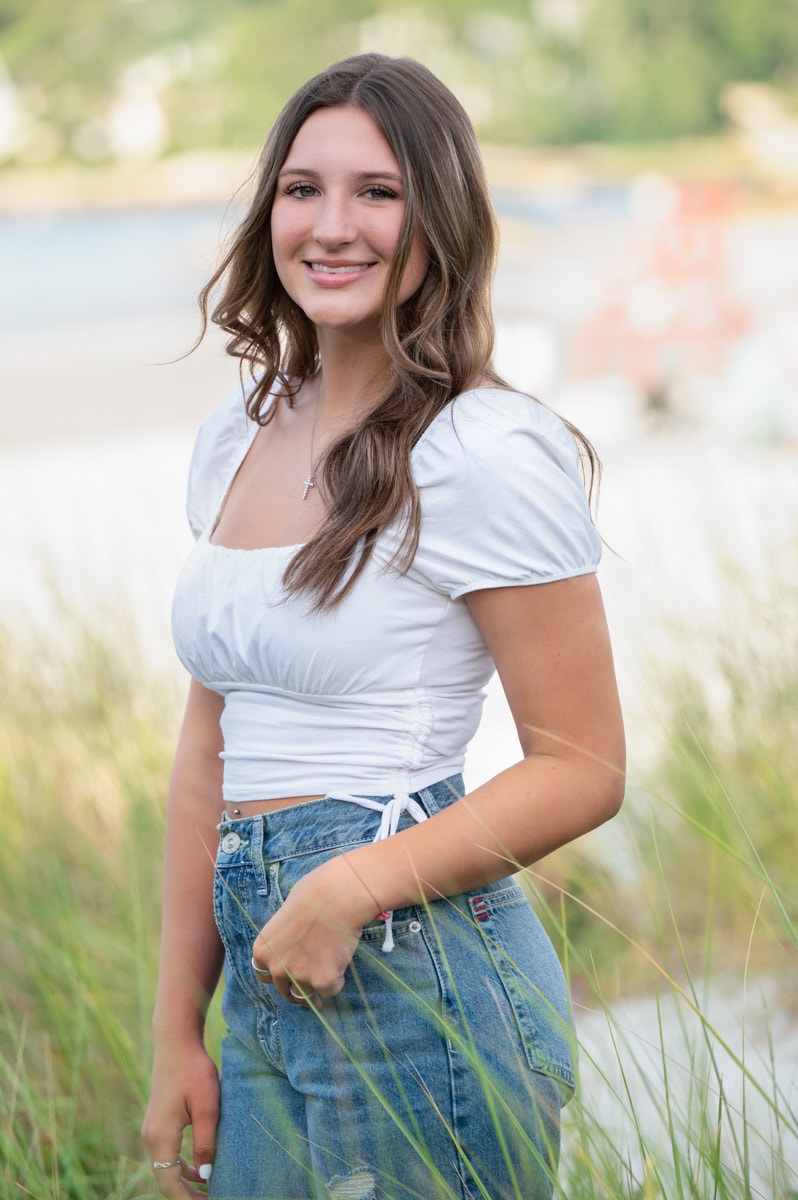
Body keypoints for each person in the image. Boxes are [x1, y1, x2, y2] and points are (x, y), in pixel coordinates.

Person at [141, 52, 625, 1200]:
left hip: (419, 974)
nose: (331, 224)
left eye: (378, 191)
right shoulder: (240, 432)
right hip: (265, 969)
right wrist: (176, 1034)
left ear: (439, 216)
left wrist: (351, 887)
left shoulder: (482, 449)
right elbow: (210, 746)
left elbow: (585, 766)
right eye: (302, 189)